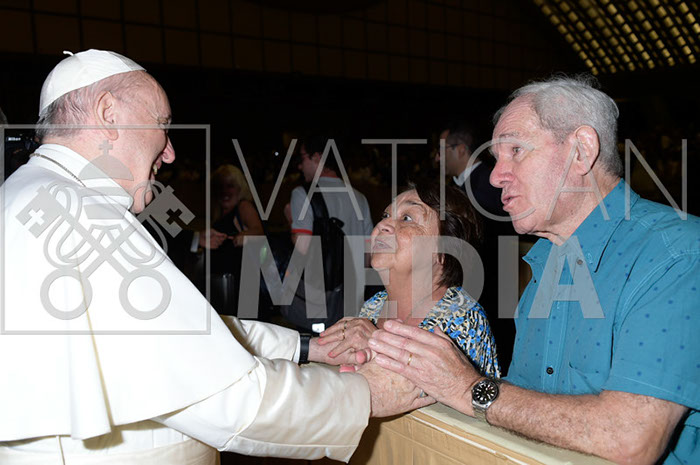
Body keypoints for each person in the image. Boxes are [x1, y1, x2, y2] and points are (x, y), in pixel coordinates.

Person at [0, 49, 432, 464]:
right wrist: (364, 396)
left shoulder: (34, 193)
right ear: (108, 113)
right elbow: (227, 395)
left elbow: (187, 332)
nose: (170, 152)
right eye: (162, 125)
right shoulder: (83, 214)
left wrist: (307, 347)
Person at [368, 75, 699, 465]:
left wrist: (469, 388)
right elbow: (527, 408)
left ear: (581, 151)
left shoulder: (676, 255)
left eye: (515, 150)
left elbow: (629, 438)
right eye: (497, 158)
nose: (495, 176)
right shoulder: (546, 265)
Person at [316, 183, 500, 378]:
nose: (382, 225)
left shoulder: (461, 319)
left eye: (407, 218)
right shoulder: (373, 307)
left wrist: (375, 345)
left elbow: (456, 392)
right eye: (385, 216)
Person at [435, 121, 517, 370]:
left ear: (460, 149)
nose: (437, 158)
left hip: (492, 284)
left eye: (441, 150)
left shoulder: (490, 185)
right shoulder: (455, 188)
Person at [285, 136, 374, 330]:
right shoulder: (360, 198)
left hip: (318, 297)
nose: (299, 166)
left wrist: (291, 221)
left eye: (302, 158)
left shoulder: (303, 193)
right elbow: (368, 255)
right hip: (354, 297)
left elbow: (303, 245)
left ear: (317, 157)